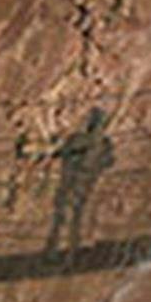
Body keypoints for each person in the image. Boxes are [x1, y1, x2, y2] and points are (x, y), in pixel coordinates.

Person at [45, 107, 114, 258]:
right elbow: (109, 161)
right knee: (71, 215)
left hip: (77, 181)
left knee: (67, 216)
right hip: (79, 181)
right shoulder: (101, 142)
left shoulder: (82, 140)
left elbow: (61, 153)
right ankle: (66, 250)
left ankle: (64, 250)